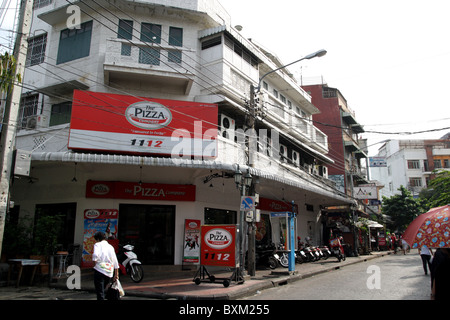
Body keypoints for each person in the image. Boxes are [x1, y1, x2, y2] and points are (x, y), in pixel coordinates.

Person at [92, 231, 119, 300]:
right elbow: (115, 261)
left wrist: (94, 263)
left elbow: (95, 255)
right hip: (109, 272)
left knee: (100, 292)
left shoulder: (97, 245)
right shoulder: (110, 247)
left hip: (99, 270)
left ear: (98, 239)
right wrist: (116, 274)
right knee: (103, 289)